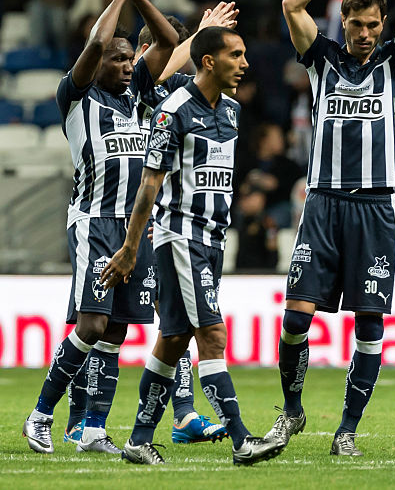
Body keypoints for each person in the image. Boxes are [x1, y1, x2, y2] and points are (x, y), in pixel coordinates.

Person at [266, 0, 395, 457]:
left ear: (383, 25)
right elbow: (290, 4)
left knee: (369, 321)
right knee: (294, 318)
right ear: (342, 23)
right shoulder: (322, 62)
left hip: (377, 208)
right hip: (323, 204)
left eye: (373, 26)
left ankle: (347, 431)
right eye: (356, 25)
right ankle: (291, 412)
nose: (364, 35)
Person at [101, 26, 284, 466]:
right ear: (208, 61)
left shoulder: (234, 112)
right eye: (235, 55)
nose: (244, 64)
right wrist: (129, 247)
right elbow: (149, 186)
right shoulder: (173, 111)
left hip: (214, 239)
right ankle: (242, 440)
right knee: (212, 335)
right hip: (181, 236)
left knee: (173, 339)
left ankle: (138, 440)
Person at [22, 0, 178, 455]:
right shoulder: (77, 97)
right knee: (90, 323)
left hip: (135, 228)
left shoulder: (139, 96)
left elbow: (171, 42)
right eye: (118, 58)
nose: (128, 65)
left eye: (131, 57)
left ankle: (92, 429)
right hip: (93, 221)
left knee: (115, 331)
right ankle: (41, 414)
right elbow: (94, 42)